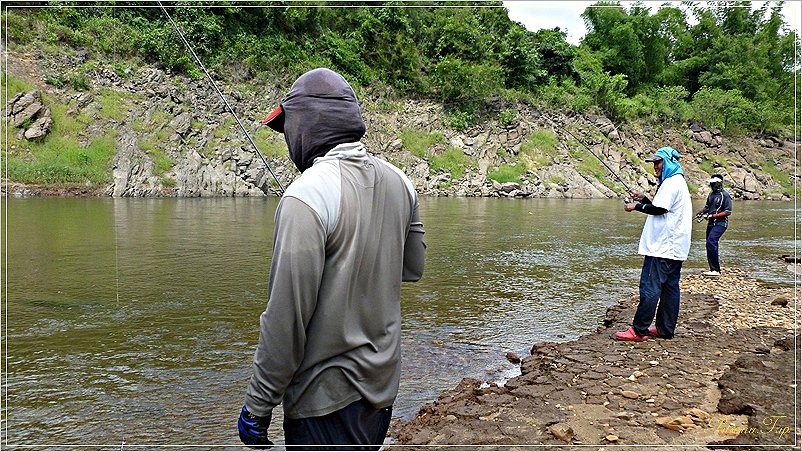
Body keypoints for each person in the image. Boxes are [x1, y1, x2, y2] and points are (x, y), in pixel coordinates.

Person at [237, 68, 426, 450]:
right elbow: (413, 268)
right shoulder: (401, 181)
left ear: (306, 126)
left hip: (323, 402)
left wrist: (258, 406)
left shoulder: (304, 197)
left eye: (287, 127)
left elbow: (285, 322)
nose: (287, 138)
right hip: (382, 388)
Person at [616, 146, 692, 341]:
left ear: (668, 162)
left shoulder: (670, 183)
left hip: (662, 247)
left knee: (650, 287)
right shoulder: (678, 182)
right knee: (670, 288)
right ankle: (665, 330)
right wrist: (644, 199)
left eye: (657, 162)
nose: (655, 167)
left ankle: (639, 330)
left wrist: (636, 206)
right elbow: (662, 207)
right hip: (675, 248)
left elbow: (659, 210)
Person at [695, 174, 733, 277]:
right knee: (709, 243)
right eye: (712, 183)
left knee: (711, 241)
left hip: (721, 223)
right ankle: (712, 269)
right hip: (711, 223)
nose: (712, 185)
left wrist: (713, 216)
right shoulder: (711, 195)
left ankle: (716, 270)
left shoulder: (725, 195)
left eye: (714, 183)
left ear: (719, 183)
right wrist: (702, 212)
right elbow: (707, 206)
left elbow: (728, 212)